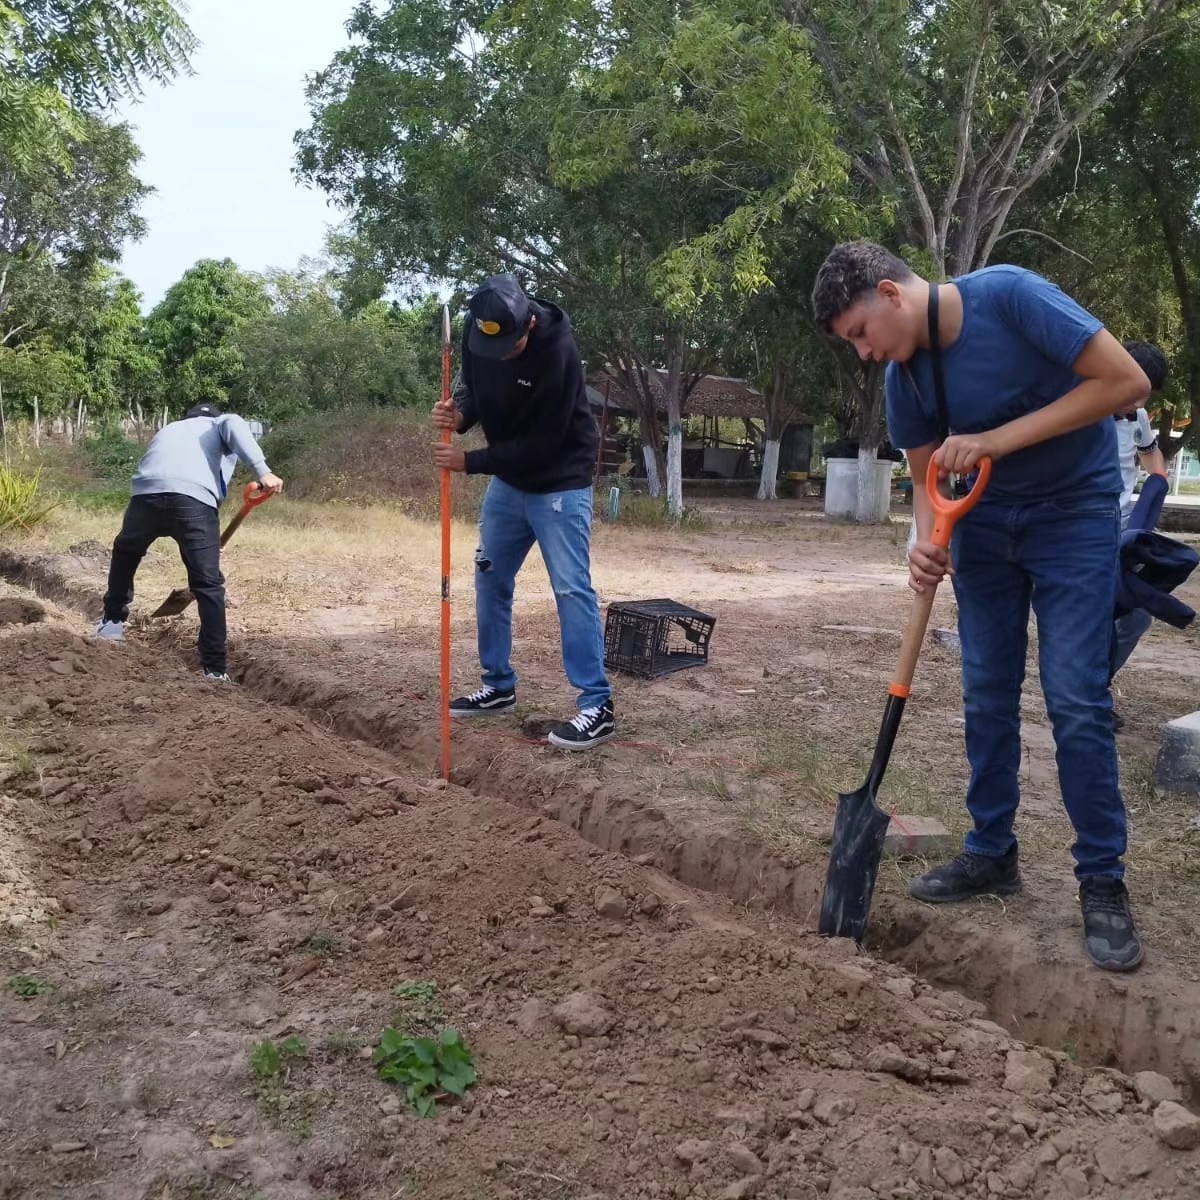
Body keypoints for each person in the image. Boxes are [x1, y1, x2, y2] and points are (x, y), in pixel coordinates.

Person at [812, 241, 1150, 972]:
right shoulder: (907, 380)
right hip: (984, 531)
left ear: (890, 294)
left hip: (1073, 515)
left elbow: (1124, 381)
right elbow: (928, 477)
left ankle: (1103, 880)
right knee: (986, 694)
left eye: (860, 333)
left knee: (1075, 698)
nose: (865, 354)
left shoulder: (1013, 298)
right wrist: (926, 545)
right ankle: (991, 851)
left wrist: (996, 440)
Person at [431, 273, 615, 750]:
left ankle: (597, 704)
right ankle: (498, 685)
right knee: (490, 577)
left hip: (559, 479)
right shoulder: (479, 336)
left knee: (572, 589)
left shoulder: (557, 348)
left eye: (512, 346)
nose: (504, 355)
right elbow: (474, 392)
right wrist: (461, 416)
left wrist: (469, 462)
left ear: (530, 323)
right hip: (510, 483)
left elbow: (544, 442)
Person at [94, 402, 283, 681]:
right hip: (194, 501)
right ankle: (215, 670)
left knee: (126, 551)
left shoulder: (170, 428)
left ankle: (111, 623)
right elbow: (233, 424)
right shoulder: (222, 423)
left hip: (146, 495)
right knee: (208, 584)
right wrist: (262, 470)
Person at [1110, 341, 1169, 696]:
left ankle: (1094, 686)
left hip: (1122, 527)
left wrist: (1156, 487)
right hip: (1079, 530)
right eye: (1133, 389)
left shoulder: (1138, 418)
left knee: (1136, 615)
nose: (1137, 402)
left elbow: (1151, 455)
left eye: (1144, 394)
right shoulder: (1080, 412)